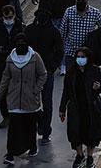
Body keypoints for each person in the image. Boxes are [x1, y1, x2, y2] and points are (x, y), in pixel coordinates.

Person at [0, 33, 47, 165]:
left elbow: (43, 74)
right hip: (14, 100)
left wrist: (35, 90)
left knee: (30, 127)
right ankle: (10, 154)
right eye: (18, 42)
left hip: (30, 101)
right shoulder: (10, 59)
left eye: (23, 42)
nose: (21, 45)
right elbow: (5, 79)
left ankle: (32, 147)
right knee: (13, 130)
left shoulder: (35, 57)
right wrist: (0, 95)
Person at [58, 45, 101, 168]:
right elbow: (66, 92)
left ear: (88, 58)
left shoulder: (95, 71)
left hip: (91, 108)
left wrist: (98, 87)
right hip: (75, 108)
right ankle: (79, 155)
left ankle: (90, 156)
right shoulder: (71, 73)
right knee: (75, 133)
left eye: (83, 57)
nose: (80, 59)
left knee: (92, 133)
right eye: (78, 57)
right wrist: (62, 109)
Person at [25, 8, 64, 144]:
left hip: (34, 72)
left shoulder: (29, 30)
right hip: (47, 71)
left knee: (32, 103)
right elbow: (60, 51)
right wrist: (53, 66)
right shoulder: (54, 31)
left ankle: (38, 129)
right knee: (47, 102)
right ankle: (45, 131)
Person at [0, 4, 25, 129]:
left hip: (17, 62)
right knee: (3, 89)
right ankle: (6, 116)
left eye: (10, 17)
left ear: (14, 15)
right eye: (6, 17)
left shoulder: (21, 27)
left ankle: (16, 116)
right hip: (1, 63)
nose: (8, 20)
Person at [59, 0, 101, 70]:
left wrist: (94, 38)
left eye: (82, 1)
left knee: (87, 78)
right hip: (71, 52)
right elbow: (63, 31)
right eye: (78, 1)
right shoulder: (69, 12)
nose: (80, 3)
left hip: (88, 53)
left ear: (87, 0)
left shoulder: (95, 13)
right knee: (71, 78)